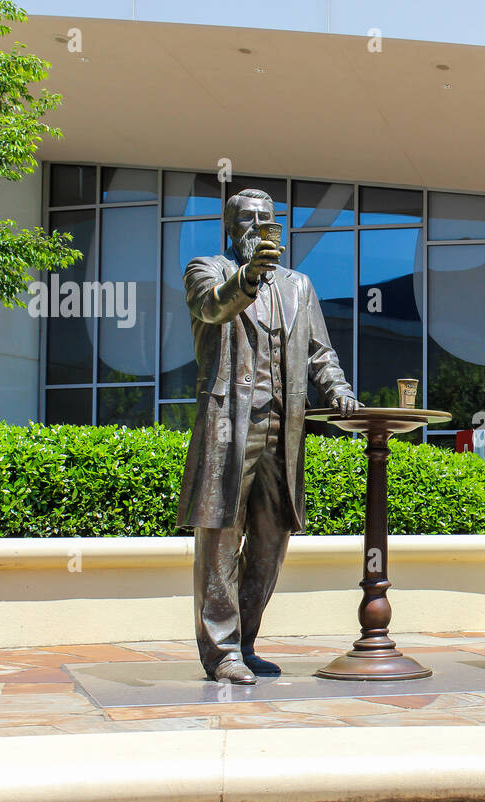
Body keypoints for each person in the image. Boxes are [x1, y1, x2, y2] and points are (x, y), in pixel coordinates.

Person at [176, 188, 357, 684]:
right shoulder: (207, 269)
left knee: (272, 539)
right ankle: (222, 653)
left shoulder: (300, 286)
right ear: (230, 227)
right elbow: (212, 308)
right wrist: (249, 276)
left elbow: (321, 352)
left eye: (265, 218)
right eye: (247, 218)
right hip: (229, 423)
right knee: (219, 537)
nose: (257, 225)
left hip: (284, 429)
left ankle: (246, 641)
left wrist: (338, 390)